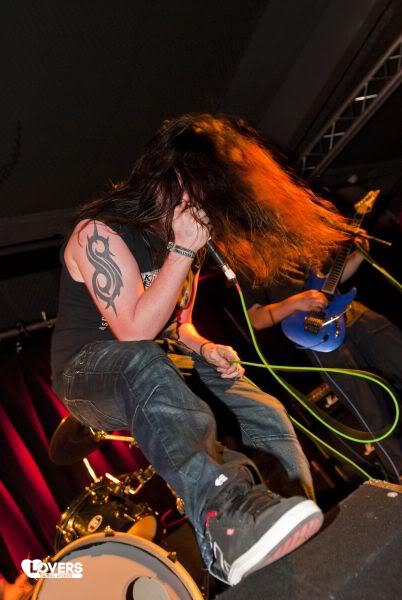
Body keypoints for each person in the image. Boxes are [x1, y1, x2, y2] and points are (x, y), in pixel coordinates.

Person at [51, 114, 350, 585]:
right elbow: (134, 334)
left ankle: (284, 525)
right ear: (173, 180)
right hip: (88, 373)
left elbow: (180, 326)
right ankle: (224, 523)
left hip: (157, 358)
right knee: (140, 361)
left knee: (263, 408)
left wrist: (205, 346)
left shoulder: (184, 243)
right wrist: (183, 252)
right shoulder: (100, 232)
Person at [242, 235, 402, 482]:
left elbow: (331, 283)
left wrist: (358, 255)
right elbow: (256, 318)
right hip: (320, 340)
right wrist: (295, 302)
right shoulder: (245, 259)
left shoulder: (298, 233)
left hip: (355, 316)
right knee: (371, 413)